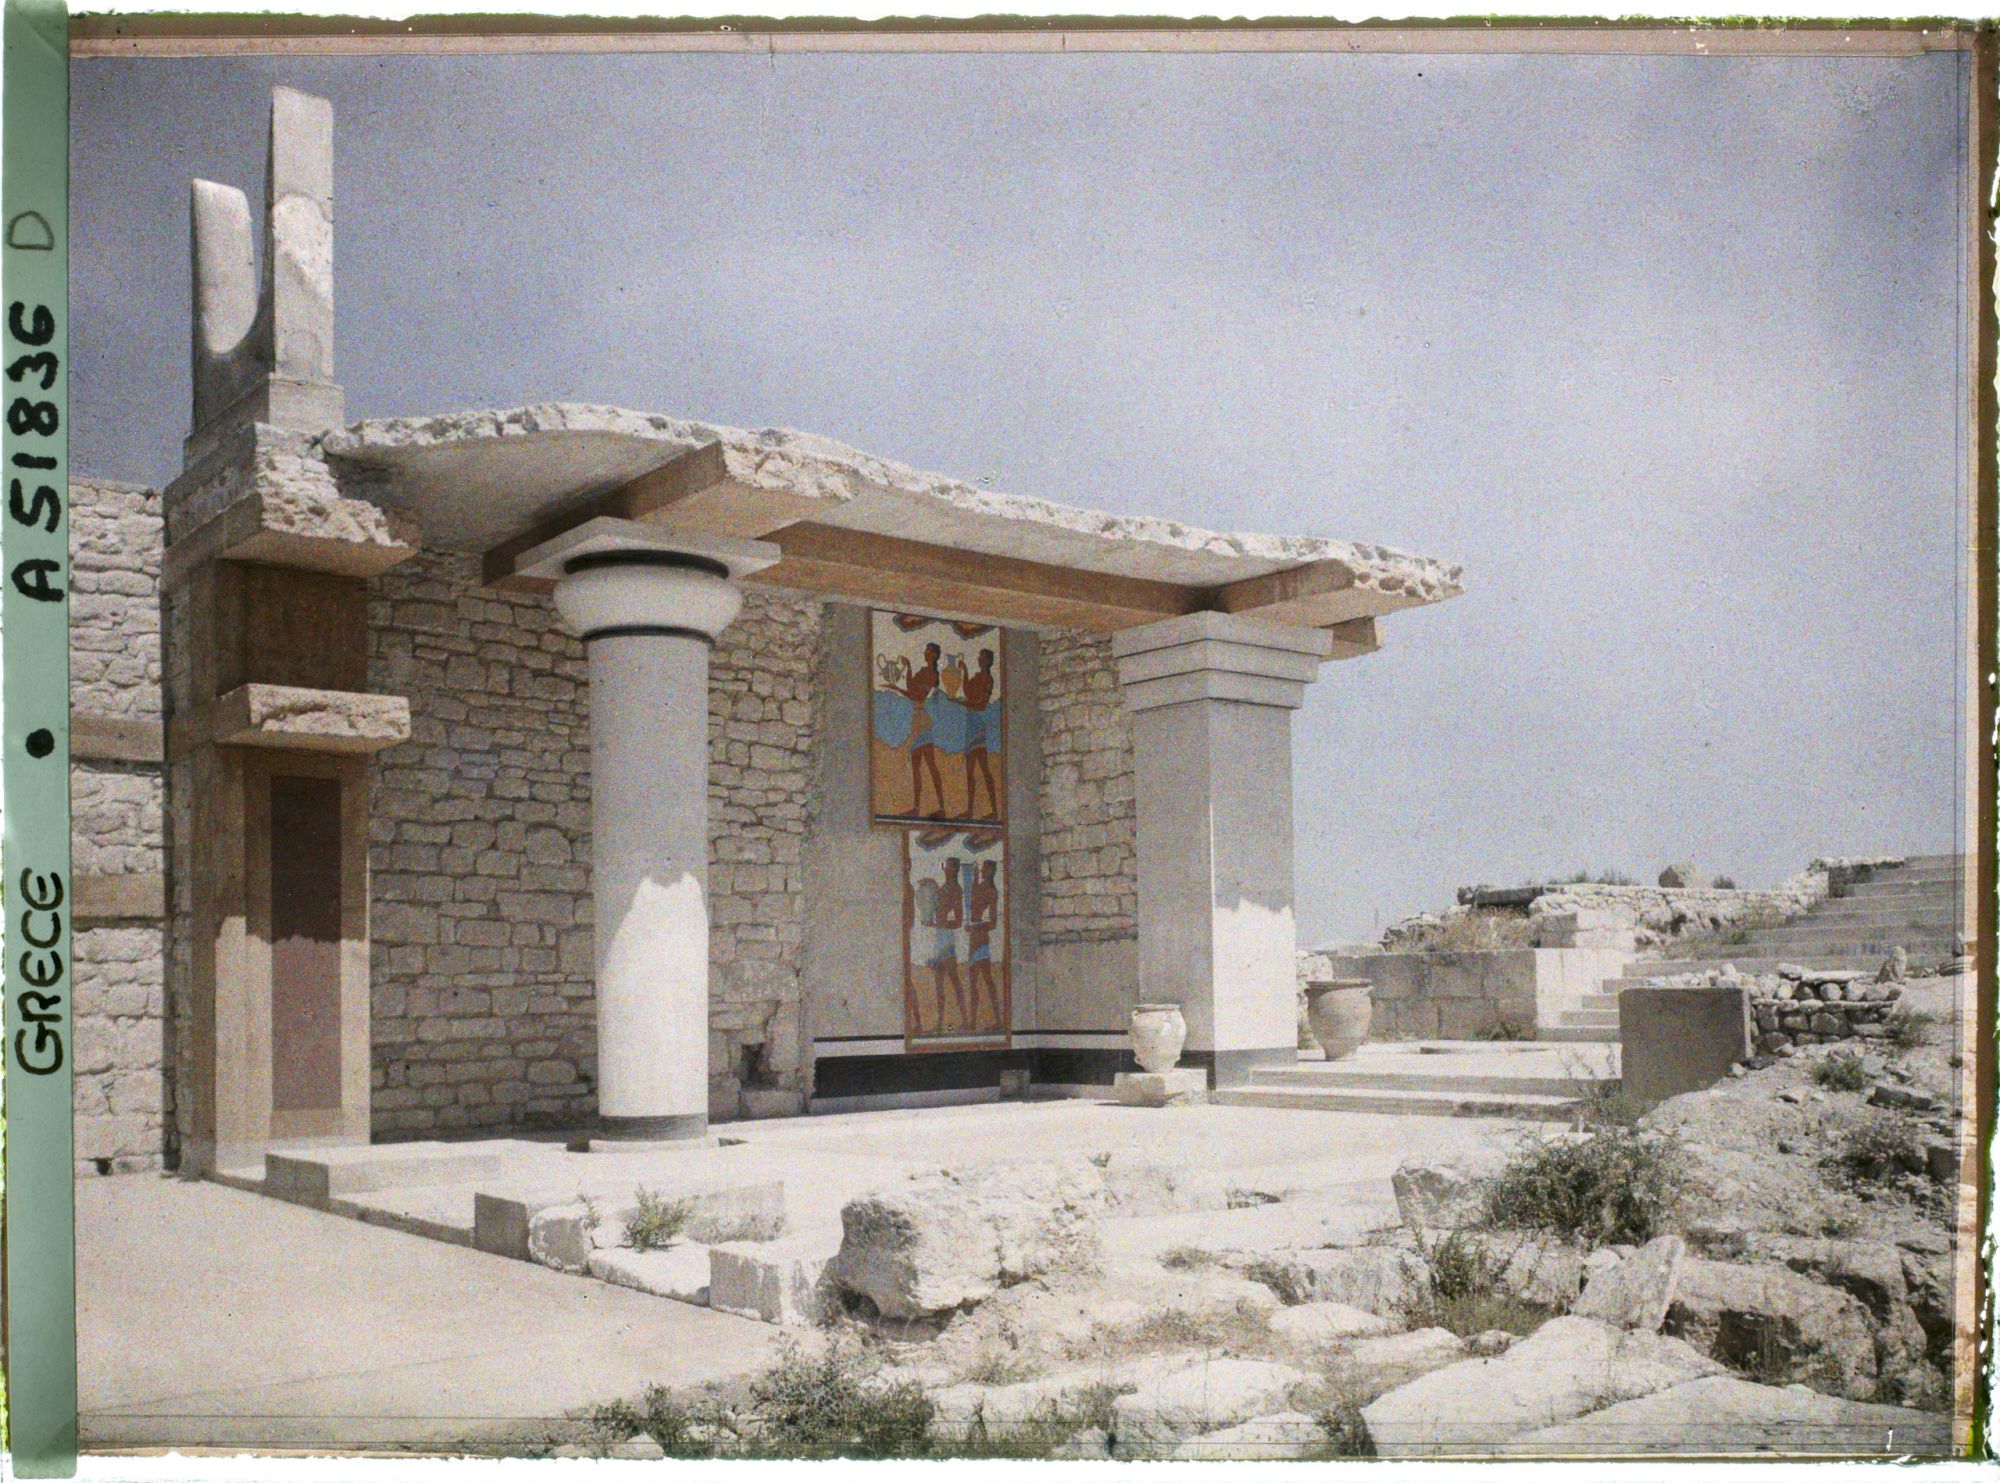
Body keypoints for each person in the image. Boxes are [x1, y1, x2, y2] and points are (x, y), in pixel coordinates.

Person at [889, 641, 948, 818]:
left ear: (934, 655)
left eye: (928, 651)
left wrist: (896, 689)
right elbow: (911, 687)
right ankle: (916, 808)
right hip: (916, 718)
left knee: (930, 765)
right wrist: (908, 668)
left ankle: (942, 808)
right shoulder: (923, 672)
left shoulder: (931, 675)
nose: (924, 653)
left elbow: (918, 695)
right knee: (916, 766)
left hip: (922, 721)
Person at [961, 647, 1001, 821]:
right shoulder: (978, 677)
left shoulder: (987, 679)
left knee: (984, 769)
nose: (978, 659)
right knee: (969, 770)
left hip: (978, 724)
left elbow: (981, 705)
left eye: (981, 657)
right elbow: (968, 692)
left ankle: (994, 811)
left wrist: (964, 703)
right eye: (978, 656)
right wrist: (964, 671)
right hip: (970, 724)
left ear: (987, 660)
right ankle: (970, 810)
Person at [932, 857, 968, 1029]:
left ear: (954, 870)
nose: (945, 868)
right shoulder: (943, 888)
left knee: (953, 980)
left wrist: (943, 922)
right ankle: (939, 1022)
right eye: (945, 866)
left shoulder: (955, 889)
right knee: (938, 980)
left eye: (949, 866)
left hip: (946, 939)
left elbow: (958, 921)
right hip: (939, 937)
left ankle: (965, 1020)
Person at [966, 858, 1002, 1030]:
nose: (982, 872)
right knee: (973, 981)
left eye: (984, 870)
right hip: (973, 940)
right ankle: (972, 1022)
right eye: (981, 870)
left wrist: (975, 926)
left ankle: (998, 1020)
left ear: (991, 872)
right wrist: (972, 877)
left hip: (980, 941)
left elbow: (993, 923)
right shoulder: (979, 886)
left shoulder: (991, 892)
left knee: (987, 980)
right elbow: (972, 902)